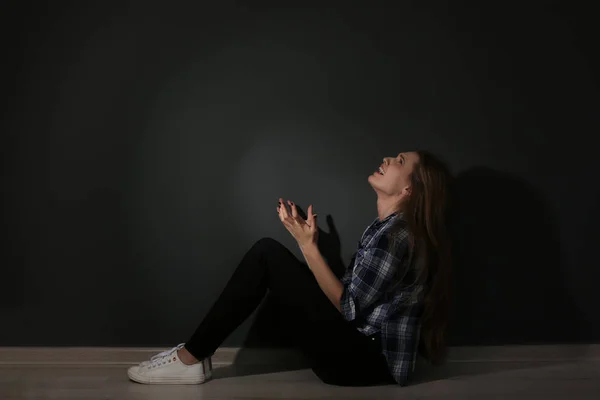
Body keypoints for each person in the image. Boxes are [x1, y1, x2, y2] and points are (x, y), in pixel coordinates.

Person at [127, 150, 453, 386]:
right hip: (358, 351)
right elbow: (351, 299)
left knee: (267, 254)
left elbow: (349, 308)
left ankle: (190, 358)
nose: (387, 159)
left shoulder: (396, 237)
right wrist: (307, 246)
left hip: (365, 364)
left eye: (399, 162)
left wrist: (308, 246)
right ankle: (193, 354)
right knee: (270, 256)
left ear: (409, 189)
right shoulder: (386, 229)